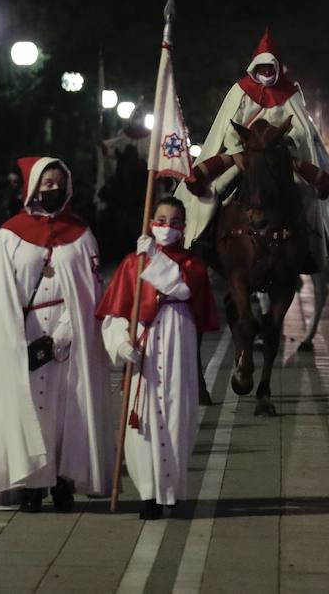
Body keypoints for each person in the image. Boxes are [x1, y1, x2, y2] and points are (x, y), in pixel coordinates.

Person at [0, 156, 111, 513]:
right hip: (26, 336)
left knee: (67, 409)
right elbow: (1, 292)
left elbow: (91, 292)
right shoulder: (10, 235)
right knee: (30, 408)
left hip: (69, 338)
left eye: (58, 183)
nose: (53, 189)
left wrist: (63, 334)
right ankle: (32, 481)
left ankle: (64, 479)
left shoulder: (81, 234)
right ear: (33, 188)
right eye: (46, 183)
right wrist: (19, 339)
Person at [176, 29, 329, 265]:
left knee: (306, 196)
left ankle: (309, 248)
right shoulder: (240, 91)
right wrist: (235, 152)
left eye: (270, 66)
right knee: (216, 189)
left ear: (277, 67)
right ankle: (204, 238)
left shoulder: (291, 93)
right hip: (245, 154)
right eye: (261, 66)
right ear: (253, 66)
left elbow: (302, 130)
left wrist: (283, 143)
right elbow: (228, 127)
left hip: (279, 156)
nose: (265, 71)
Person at [97, 197, 219, 519]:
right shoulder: (131, 263)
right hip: (145, 345)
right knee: (143, 418)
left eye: (175, 221)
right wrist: (122, 344)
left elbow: (181, 288)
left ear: (183, 227)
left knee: (178, 414)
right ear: (150, 221)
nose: (167, 226)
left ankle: (173, 491)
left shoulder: (192, 264)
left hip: (178, 337)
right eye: (161, 219)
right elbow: (116, 312)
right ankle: (149, 493)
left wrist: (152, 259)